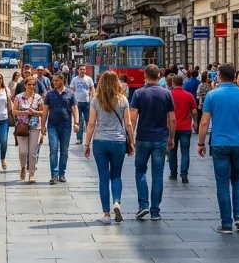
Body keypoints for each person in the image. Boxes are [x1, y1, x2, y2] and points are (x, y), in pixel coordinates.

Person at [198, 63, 239, 234]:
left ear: (219, 76)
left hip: (219, 144)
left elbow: (204, 122)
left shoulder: (212, 95)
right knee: (238, 180)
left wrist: (200, 143)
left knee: (222, 183)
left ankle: (226, 223)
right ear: (235, 77)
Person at [84, 71, 134, 224]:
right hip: (118, 142)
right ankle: (117, 202)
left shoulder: (95, 100)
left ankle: (106, 214)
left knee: (103, 178)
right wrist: (131, 142)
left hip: (100, 142)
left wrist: (87, 144)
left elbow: (91, 124)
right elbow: (128, 123)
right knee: (116, 175)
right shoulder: (123, 100)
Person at [130, 64, 174, 220]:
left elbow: (133, 117)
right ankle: (155, 210)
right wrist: (171, 137)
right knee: (158, 175)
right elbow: (172, 118)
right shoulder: (167, 93)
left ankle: (143, 205)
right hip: (161, 138)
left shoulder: (139, 93)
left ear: (145, 76)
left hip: (143, 137)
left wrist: (130, 138)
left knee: (140, 171)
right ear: (158, 76)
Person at [42, 73, 78, 184]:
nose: (54, 82)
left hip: (66, 125)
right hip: (52, 125)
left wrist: (77, 123)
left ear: (62, 80)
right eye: (53, 80)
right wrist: (43, 125)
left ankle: (62, 174)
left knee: (64, 151)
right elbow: (45, 111)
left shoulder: (70, 94)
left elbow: (75, 108)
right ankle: (54, 174)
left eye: (57, 80)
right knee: (53, 149)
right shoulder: (49, 94)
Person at [13, 76, 44, 183]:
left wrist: (34, 112)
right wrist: (23, 112)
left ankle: (31, 173)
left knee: (32, 152)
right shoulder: (18, 97)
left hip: (35, 127)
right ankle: (23, 167)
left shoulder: (38, 98)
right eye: (29, 84)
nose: (31, 86)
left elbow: (43, 112)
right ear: (25, 85)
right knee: (23, 151)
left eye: (33, 84)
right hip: (22, 126)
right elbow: (14, 111)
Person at [169, 74, 197, 183]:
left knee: (172, 151)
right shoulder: (189, 95)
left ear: (173, 83)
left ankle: (173, 174)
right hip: (186, 127)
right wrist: (195, 122)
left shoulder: (169, 95)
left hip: (172, 128)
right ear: (182, 83)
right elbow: (194, 111)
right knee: (185, 152)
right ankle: (184, 175)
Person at [71, 65, 95, 145]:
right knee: (79, 121)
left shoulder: (89, 79)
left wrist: (93, 97)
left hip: (87, 103)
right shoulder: (74, 79)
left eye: (84, 69)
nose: (82, 71)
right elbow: (72, 91)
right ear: (78, 70)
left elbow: (92, 89)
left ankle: (89, 138)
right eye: (81, 69)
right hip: (77, 103)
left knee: (89, 121)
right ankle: (79, 138)